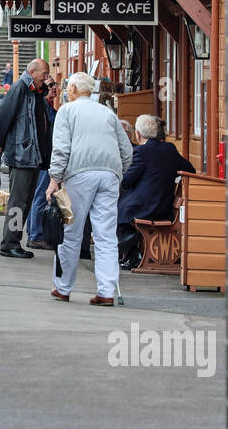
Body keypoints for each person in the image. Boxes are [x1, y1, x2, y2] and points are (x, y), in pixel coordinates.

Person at [45, 73, 133, 305]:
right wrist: (118, 173)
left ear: (73, 88)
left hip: (79, 174)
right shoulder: (107, 113)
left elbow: (61, 148)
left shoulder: (67, 110)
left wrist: (54, 178)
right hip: (109, 174)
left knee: (71, 232)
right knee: (105, 235)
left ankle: (63, 287)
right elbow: (126, 150)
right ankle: (106, 292)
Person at [117, 114, 195, 268]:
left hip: (144, 208)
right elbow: (190, 169)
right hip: (164, 205)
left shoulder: (141, 152)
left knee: (117, 211)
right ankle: (132, 253)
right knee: (122, 208)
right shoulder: (170, 149)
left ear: (138, 134)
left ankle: (132, 249)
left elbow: (126, 181)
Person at [0, 58, 50, 259]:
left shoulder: (33, 91)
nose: (46, 78)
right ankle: (9, 243)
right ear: (32, 72)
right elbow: (1, 117)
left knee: (25, 201)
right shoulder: (20, 89)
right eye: (44, 74)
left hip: (31, 156)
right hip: (22, 155)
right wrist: (1, 143)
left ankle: (14, 241)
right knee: (18, 203)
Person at [24, 78, 60, 250]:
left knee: (38, 195)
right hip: (45, 158)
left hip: (47, 157)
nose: (54, 88)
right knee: (41, 195)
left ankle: (33, 233)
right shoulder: (43, 109)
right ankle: (36, 235)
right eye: (50, 85)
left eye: (55, 85)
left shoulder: (49, 109)